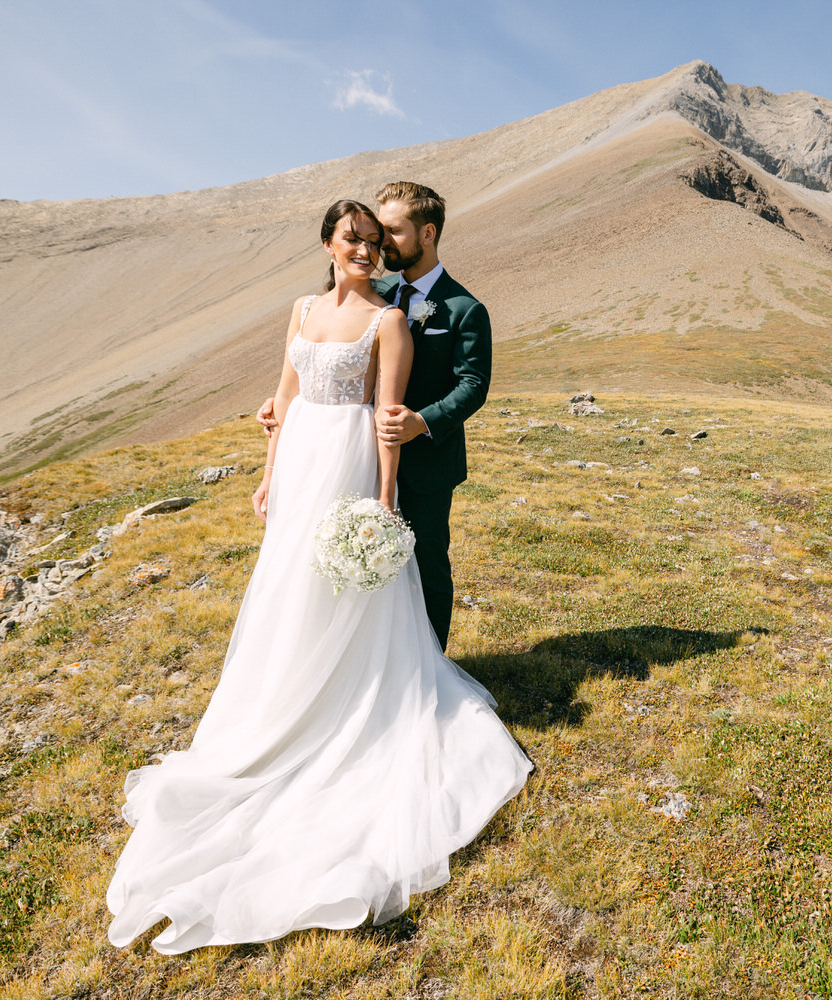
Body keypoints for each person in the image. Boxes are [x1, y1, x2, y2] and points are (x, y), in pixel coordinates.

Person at [105, 200, 532, 954]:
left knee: (396, 579)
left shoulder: (426, 311)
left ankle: (390, 687)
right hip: (304, 460)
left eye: (382, 237)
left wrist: (385, 493)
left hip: (368, 459)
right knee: (291, 589)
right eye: (359, 238)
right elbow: (291, 386)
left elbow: (435, 395)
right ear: (329, 244)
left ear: (418, 236)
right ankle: (286, 695)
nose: (372, 248)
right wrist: (272, 457)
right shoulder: (308, 304)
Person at [259, 181, 487, 652]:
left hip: (425, 460)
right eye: (374, 233)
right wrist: (288, 402)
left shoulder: (464, 308)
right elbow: (326, 346)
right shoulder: (374, 290)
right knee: (343, 559)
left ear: (427, 234)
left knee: (424, 564)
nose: (379, 244)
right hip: (354, 457)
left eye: (391, 232)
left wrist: (420, 421)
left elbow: (473, 386)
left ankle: (430, 662)